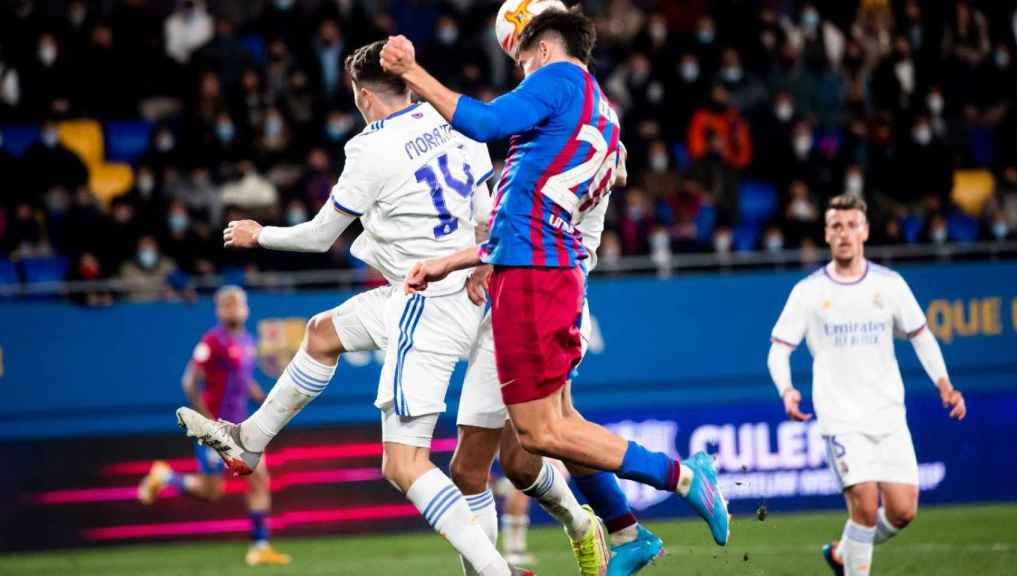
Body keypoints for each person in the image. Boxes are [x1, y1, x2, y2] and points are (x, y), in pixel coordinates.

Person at [175, 40, 555, 576]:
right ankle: (250, 441)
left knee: (403, 464)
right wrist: (482, 261)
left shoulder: (368, 149)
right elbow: (486, 206)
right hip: (472, 289)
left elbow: (318, 237)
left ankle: (496, 572)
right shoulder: (450, 115)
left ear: (363, 96)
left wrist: (259, 235)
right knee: (321, 332)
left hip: (423, 303)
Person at [383, 8, 729, 547]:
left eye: (520, 58)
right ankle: (626, 532)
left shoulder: (556, 78)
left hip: (535, 274)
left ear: (541, 48)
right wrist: (452, 263)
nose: (521, 73)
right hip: (548, 269)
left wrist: (412, 72)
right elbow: (529, 205)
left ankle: (683, 478)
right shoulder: (603, 111)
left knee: (540, 433)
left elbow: (484, 123)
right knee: (546, 433)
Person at [451, 140, 665, 575]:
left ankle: (672, 483)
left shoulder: (572, 161)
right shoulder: (526, 163)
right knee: (483, 466)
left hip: (547, 306)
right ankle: (590, 524)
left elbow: (614, 165)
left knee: (541, 439)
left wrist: (477, 255)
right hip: (501, 311)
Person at [766, 194, 967, 576]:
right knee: (865, 504)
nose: (844, 233)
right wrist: (787, 389)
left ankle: (844, 553)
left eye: (851, 225)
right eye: (836, 226)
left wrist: (945, 385)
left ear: (866, 231)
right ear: (826, 234)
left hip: (888, 414)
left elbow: (922, 337)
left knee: (904, 511)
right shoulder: (809, 292)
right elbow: (778, 351)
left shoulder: (889, 285)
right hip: (840, 417)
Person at [138, 286, 290, 566]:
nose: (233, 309)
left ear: (246, 308)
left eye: (237, 304)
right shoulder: (212, 341)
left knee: (258, 481)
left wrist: (267, 399)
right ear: (219, 310)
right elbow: (189, 381)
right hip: (216, 428)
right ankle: (167, 477)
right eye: (227, 305)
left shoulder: (246, 341)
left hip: (242, 426)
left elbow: (245, 381)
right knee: (212, 492)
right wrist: (205, 422)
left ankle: (260, 546)